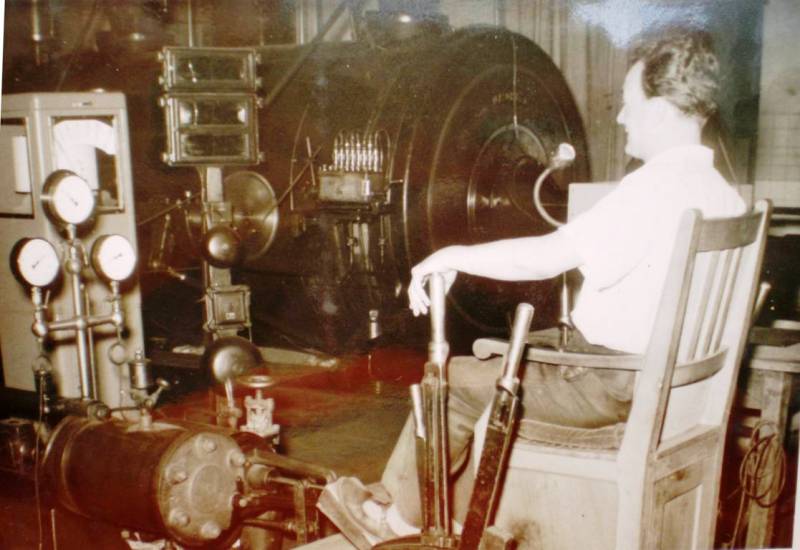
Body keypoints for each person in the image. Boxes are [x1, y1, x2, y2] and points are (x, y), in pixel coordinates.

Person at [317, 28, 746, 549]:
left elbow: (548, 256)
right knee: (489, 362)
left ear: (658, 111)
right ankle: (458, 521)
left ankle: (399, 523)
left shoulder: (652, 188)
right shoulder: (724, 195)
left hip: (614, 386)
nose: (620, 118)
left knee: (452, 382)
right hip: (672, 394)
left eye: (628, 104)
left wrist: (453, 255)